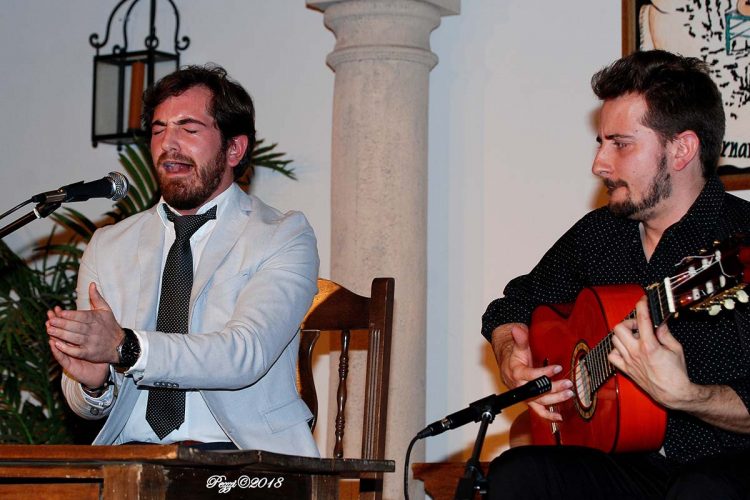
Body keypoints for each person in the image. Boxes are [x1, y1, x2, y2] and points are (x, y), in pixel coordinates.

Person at [482, 50, 750, 498]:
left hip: (727, 466)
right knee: (518, 471)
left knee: (702, 490)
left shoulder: (738, 245)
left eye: (620, 144)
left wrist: (688, 396)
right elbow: (514, 304)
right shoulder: (599, 234)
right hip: (630, 463)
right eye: (600, 143)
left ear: (682, 148)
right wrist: (512, 355)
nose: (600, 164)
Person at [45, 65, 320, 455]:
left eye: (188, 130)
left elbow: (245, 354)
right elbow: (87, 403)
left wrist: (127, 349)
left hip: (244, 459)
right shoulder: (108, 245)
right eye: (158, 130)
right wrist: (94, 383)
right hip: (131, 459)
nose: (168, 145)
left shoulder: (281, 235)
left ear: (234, 148)